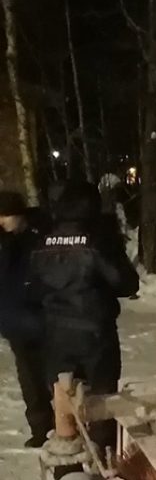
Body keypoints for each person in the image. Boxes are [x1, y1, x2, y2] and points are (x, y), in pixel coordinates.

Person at [28, 181, 139, 453]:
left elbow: (31, 287)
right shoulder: (97, 240)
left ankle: (69, 465)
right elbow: (126, 283)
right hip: (95, 333)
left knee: (64, 401)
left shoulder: (43, 240)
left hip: (55, 333)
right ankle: (102, 458)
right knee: (101, 401)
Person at [0, 190, 52, 447]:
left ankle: (68, 427)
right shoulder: (4, 241)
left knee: (56, 378)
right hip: (15, 322)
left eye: (6, 216)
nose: (2, 222)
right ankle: (41, 430)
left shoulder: (39, 235)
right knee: (30, 383)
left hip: (43, 319)